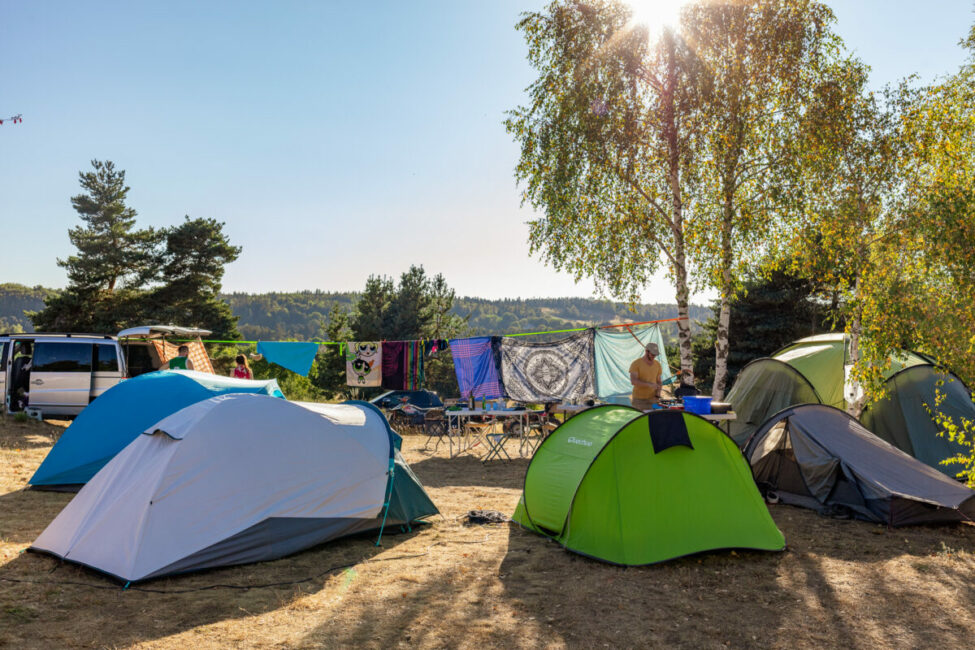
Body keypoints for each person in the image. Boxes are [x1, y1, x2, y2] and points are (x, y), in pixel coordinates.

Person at [630, 342, 663, 410]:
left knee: (654, 419)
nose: (654, 356)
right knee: (641, 419)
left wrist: (658, 394)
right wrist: (649, 384)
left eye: (655, 355)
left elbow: (659, 381)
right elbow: (633, 381)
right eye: (652, 354)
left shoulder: (657, 364)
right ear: (646, 351)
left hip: (653, 399)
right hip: (639, 400)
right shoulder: (636, 364)